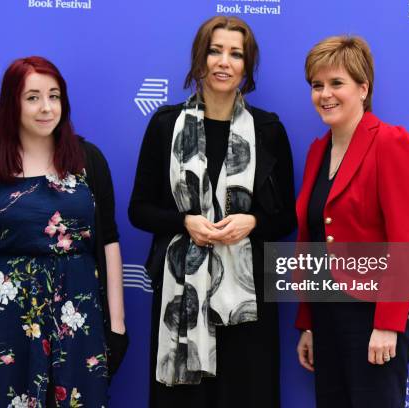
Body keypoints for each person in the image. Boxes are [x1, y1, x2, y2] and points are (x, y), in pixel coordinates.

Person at [128, 15, 296, 408]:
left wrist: (253, 222)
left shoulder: (268, 129)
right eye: (215, 50)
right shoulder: (165, 125)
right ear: (199, 60)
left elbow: (287, 218)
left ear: (246, 67)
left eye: (236, 54)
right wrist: (183, 222)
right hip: (181, 293)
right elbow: (138, 210)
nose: (224, 61)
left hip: (249, 298)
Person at [0, 56, 128, 407]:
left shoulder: (89, 161)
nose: (46, 108)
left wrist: (118, 325)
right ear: (12, 103)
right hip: (9, 321)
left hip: (79, 318)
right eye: (32, 97)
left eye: (54, 96)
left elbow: (108, 243)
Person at [294, 36, 409, 407]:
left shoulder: (389, 142)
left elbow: (404, 239)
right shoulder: (317, 150)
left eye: (337, 83)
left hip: (374, 314)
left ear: (363, 88)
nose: (325, 94)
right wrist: (309, 322)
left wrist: (388, 324)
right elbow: (312, 241)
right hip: (327, 315)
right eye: (317, 85)